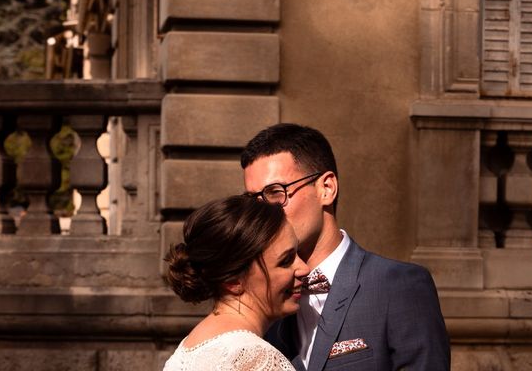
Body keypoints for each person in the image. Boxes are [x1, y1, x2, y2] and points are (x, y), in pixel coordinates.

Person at [241, 123, 450, 370]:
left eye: (276, 193)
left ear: (327, 189)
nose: (263, 213)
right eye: (253, 202)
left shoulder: (397, 286)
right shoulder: (264, 295)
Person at [163, 194, 310, 370]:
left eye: (298, 253)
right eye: (285, 261)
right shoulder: (255, 358)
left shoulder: (189, 348)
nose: (304, 269)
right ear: (233, 280)